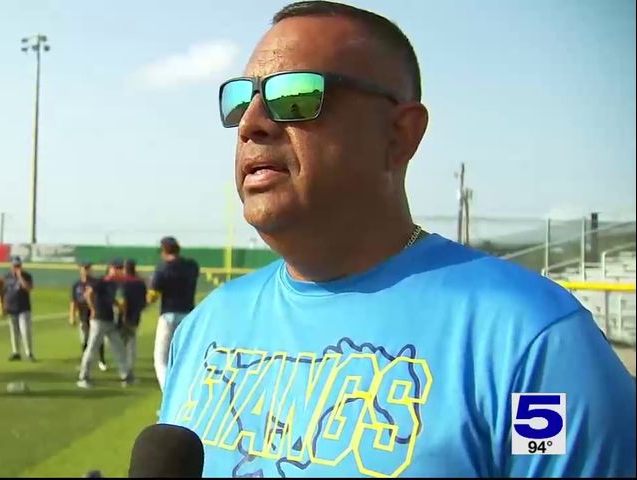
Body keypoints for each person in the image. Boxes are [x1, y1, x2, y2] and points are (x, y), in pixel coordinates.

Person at [158, 2, 636, 478]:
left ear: (399, 134)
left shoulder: (531, 342)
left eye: (296, 96)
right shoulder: (205, 330)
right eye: (241, 100)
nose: (251, 124)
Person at [146, 236, 199, 391]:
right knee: (183, 358)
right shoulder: (191, 266)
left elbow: (152, 297)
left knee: (161, 360)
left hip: (169, 316)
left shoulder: (162, 268)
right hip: (188, 315)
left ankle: (170, 398)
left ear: (164, 250)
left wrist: (149, 287)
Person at [77, 261, 132, 389]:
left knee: (119, 348)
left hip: (109, 321)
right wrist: (93, 309)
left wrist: (118, 306)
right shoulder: (102, 281)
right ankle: (83, 377)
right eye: (117, 268)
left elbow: (110, 299)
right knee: (92, 348)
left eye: (120, 268)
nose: (120, 270)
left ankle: (125, 375)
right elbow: (88, 293)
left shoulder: (113, 284)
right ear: (111, 269)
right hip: (99, 320)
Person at [71, 262, 107, 371]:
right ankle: (85, 361)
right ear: (80, 270)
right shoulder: (76, 285)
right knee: (84, 339)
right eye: (83, 268)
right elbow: (74, 301)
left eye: (87, 268)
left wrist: (95, 309)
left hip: (95, 314)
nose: (86, 270)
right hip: (82, 314)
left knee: (97, 337)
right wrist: (72, 316)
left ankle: (101, 360)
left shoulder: (95, 282)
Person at [0, 256, 35, 362]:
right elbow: (1, 292)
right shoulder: (6, 277)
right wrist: (1, 307)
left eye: (18, 266)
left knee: (25, 331)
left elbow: (29, 288)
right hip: (11, 308)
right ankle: (16, 352)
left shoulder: (27, 276)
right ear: (11, 266)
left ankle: (28, 353)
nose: (16, 268)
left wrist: (20, 277)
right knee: (13, 331)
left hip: (24, 307)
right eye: (15, 266)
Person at [118, 259, 148, 377]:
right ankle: (129, 369)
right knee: (131, 344)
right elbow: (144, 302)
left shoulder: (123, 282)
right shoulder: (140, 283)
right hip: (135, 316)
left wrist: (124, 315)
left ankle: (125, 371)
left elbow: (123, 301)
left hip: (123, 317)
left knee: (121, 344)